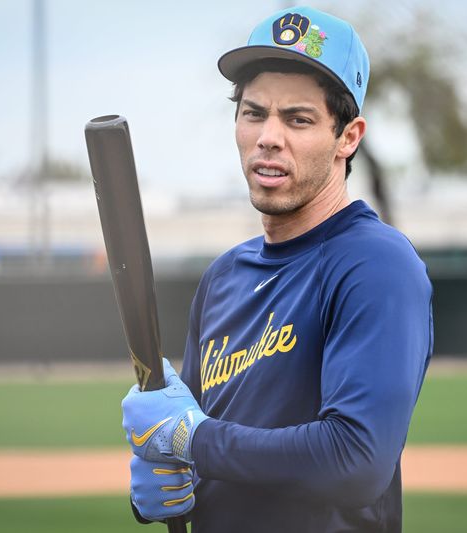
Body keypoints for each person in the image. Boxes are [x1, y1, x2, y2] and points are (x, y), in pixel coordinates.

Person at [121, 5, 433, 532]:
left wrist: (193, 439)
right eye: (253, 113)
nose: (268, 136)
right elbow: (197, 452)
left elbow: (355, 460)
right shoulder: (224, 276)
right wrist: (165, 477)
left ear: (349, 136)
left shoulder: (375, 264)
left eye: (298, 119)